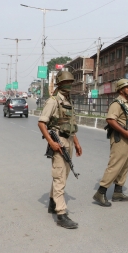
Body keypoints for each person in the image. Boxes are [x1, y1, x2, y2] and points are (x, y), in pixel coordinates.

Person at [38, 70, 82, 229]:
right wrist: (52, 142)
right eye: (66, 82)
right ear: (60, 84)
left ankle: (52, 202)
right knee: (59, 176)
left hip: (68, 139)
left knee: (64, 174)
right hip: (58, 140)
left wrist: (76, 142)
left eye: (71, 82)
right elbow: (42, 123)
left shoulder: (68, 101)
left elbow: (70, 124)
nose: (69, 85)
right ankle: (61, 214)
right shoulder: (53, 101)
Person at [93, 78, 128, 207]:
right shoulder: (117, 104)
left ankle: (118, 192)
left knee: (124, 165)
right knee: (115, 165)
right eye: (127, 87)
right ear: (120, 89)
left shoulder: (127, 103)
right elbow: (110, 120)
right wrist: (124, 132)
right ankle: (100, 192)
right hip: (120, 138)